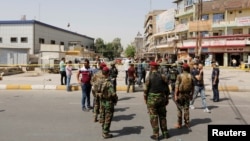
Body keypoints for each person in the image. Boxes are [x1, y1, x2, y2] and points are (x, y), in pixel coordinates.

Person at [144, 61, 170, 140]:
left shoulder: (149, 77)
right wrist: (167, 97)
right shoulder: (162, 76)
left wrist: (145, 99)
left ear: (151, 68)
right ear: (157, 67)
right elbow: (167, 88)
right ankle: (165, 133)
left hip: (152, 100)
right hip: (161, 99)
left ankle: (156, 135)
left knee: (154, 117)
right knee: (162, 116)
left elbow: (145, 90)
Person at [97, 66, 118, 139]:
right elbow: (113, 94)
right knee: (108, 117)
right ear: (108, 73)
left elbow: (96, 91)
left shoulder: (99, 81)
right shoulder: (109, 83)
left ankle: (104, 128)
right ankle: (105, 133)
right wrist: (115, 100)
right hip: (109, 102)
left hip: (102, 101)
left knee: (103, 115)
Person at [174, 63, 194, 129]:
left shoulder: (179, 76)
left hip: (180, 94)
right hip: (187, 94)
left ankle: (179, 124)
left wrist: (175, 95)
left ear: (183, 69)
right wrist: (192, 95)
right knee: (186, 109)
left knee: (179, 109)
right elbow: (193, 87)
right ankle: (187, 123)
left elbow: (177, 86)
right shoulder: (191, 76)